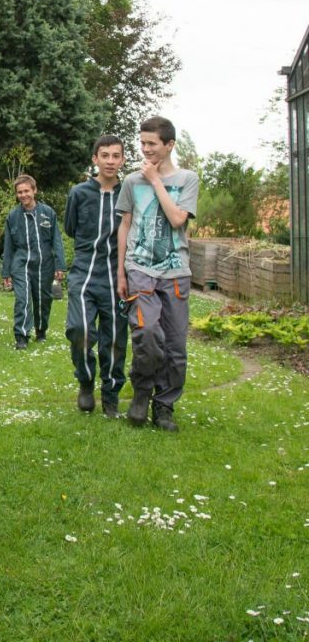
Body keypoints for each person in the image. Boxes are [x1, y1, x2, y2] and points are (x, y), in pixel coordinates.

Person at [117, 116, 199, 432]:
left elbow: (178, 218)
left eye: (152, 143)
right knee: (147, 334)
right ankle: (141, 391)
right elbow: (124, 227)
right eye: (143, 143)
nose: (145, 149)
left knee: (176, 348)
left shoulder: (187, 179)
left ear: (169, 145)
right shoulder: (130, 182)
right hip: (140, 269)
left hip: (175, 273)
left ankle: (164, 407)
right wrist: (121, 273)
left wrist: (155, 181)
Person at [64, 136, 128, 418]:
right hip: (84, 273)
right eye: (105, 155)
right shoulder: (79, 193)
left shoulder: (129, 192)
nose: (110, 161)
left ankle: (111, 394)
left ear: (123, 160)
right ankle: (86, 381)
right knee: (80, 330)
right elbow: (71, 228)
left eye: (116, 156)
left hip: (117, 276)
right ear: (95, 159)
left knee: (114, 337)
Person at [1, 174, 65, 349]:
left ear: (34, 191)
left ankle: (41, 330)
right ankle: (21, 336)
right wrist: (6, 272)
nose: (23, 195)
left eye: (26, 191)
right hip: (21, 263)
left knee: (43, 299)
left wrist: (60, 265)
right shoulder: (13, 216)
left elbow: (56, 241)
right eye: (20, 192)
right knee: (23, 299)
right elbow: (8, 247)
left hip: (44, 262)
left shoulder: (47, 213)